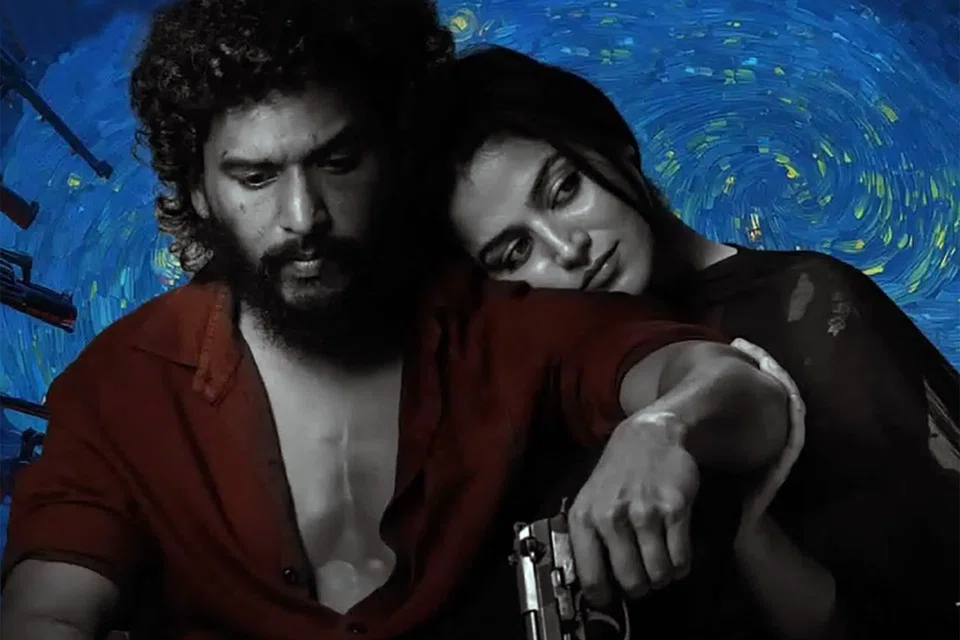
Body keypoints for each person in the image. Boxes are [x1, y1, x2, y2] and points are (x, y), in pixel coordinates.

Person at [0, 2, 797, 639]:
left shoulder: (501, 322)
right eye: (256, 177)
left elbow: (744, 398)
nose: (304, 216)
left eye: (337, 161)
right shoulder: (120, 388)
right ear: (200, 192)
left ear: (389, 155)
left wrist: (660, 429)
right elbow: (47, 612)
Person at [408, 45, 960, 639]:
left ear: (616, 146)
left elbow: (917, 609)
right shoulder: (552, 392)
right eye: (517, 251)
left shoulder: (809, 311)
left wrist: (745, 528)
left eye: (565, 190)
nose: (568, 249)